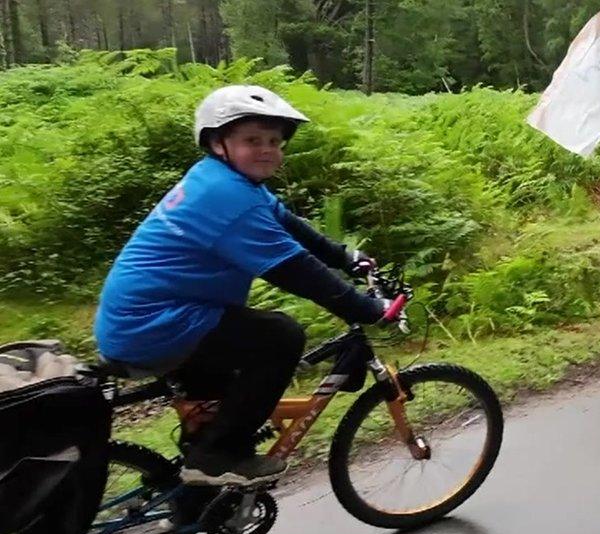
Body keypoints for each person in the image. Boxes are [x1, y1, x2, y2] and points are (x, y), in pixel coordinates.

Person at [94, 85, 392, 486]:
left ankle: (196, 484)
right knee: (280, 336)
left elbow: (291, 226)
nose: (268, 149)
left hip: (156, 318)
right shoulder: (227, 197)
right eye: (253, 140)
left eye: (275, 141)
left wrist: (345, 257)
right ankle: (215, 457)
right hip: (155, 326)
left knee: (221, 402)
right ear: (219, 143)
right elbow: (296, 270)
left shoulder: (223, 180)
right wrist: (368, 309)